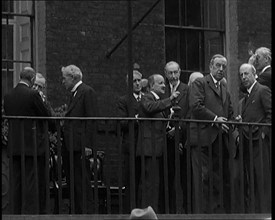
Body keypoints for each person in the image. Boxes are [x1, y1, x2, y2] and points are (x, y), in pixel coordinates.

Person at [189, 54, 234, 213]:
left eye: (224, 67)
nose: (221, 69)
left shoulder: (223, 88)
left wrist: (232, 120)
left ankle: (214, 214)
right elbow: (196, 106)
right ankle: (201, 215)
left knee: (216, 180)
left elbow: (229, 111)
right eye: (218, 66)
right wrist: (215, 119)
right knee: (202, 180)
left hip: (219, 140)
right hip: (202, 138)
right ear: (210, 66)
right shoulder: (200, 83)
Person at [3, 67, 51, 214]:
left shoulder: (8, 95)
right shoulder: (33, 94)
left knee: (16, 182)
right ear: (31, 80)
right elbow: (46, 116)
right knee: (30, 182)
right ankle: (29, 213)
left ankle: (15, 212)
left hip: (14, 144)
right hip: (31, 145)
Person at [136, 74, 180, 212]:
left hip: (157, 148)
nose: (163, 85)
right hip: (149, 148)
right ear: (151, 86)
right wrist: (170, 100)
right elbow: (149, 108)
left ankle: (151, 210)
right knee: (150, 183)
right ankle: (146, 211)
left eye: (163, 83)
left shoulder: (158, 101)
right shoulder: (147, 97)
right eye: (160, 83)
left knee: (155, 183)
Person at [61, 64, 98, 214]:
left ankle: (86, 213)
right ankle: (77, 212)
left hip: (80, 146)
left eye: (64, 78)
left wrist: (88, 145)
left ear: (73, 77)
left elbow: (91, 119)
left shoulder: (87, 92)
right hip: (71, 146)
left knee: (82, 182)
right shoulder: (75, 93)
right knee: (74, 183)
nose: (62, 82)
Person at [237, 63, 271, 213]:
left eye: (246, 74)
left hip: (259, 141)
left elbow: (270, 113)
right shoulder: (245, 96)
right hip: (247, 142)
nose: (244, 77)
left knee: (261, 179)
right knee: (251, 179)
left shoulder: (262, 90)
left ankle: (264, 212)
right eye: (241, 75)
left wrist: (264, 132)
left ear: (254, 74)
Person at [162, 61, 189, 213]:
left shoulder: (187, 89)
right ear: (165, 74)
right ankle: (169, 211)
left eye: (175, 72)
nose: (173, 76)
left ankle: (185, 211)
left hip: (182, 139)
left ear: (179, 72)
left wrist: (178, 130)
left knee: (184, 178)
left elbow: (189, 112)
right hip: (165, 140)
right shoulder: (163, 90)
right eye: (170, 73)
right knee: (168, 177)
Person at [116, 70, 143, 212]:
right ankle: (130, 211)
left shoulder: (147, 98)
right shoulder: (124, 100)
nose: (138, 83)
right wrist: (137, 119)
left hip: (145, 146)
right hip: (131, 146)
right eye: (134, 81)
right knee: (130, 181)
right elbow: (122, 123)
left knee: (144, 182)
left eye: (139, 80)